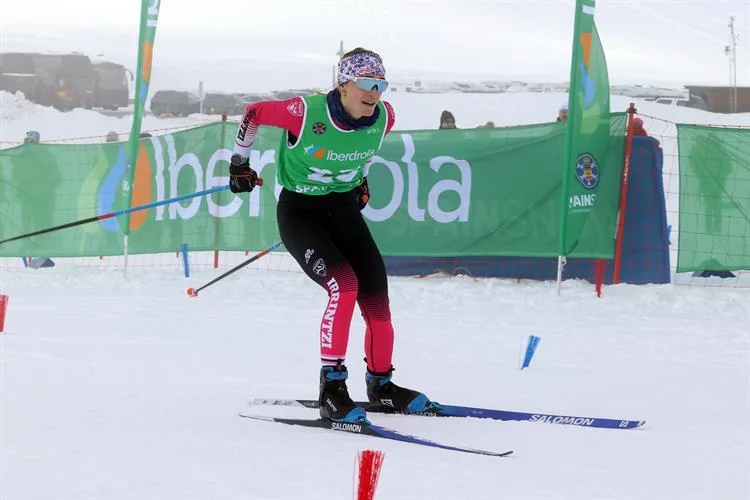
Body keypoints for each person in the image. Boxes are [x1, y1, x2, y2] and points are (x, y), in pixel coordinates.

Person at [229, 47, 434, 424]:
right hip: (301, 213)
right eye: (366, 84)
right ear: (343, 85)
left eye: (381, 84)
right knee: (345, 285)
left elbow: (363, 154)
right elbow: (253, 113)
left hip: (341, 210)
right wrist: (240, 163)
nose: (374, 93)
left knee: (376, 294)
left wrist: (361, 182)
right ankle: (332, 389)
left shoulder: (384, 118)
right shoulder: (304, 113)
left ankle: (382, 386)